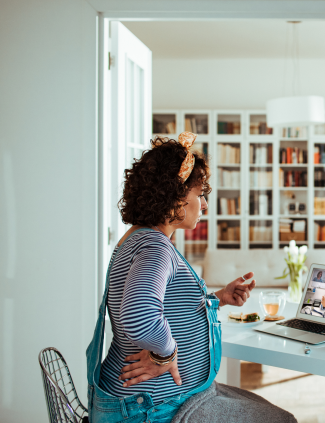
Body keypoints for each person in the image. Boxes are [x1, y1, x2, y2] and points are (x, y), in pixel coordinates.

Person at [86, 133, 295, 423]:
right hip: (155, 410)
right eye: (200, 195)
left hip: (149, 401)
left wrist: (217, 298)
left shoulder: (134, 239)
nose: (205, 205)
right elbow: (138, 315)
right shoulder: (156, 247)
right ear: (174, 196)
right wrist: (166, 354)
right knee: (282, 420)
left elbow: (163, 307)